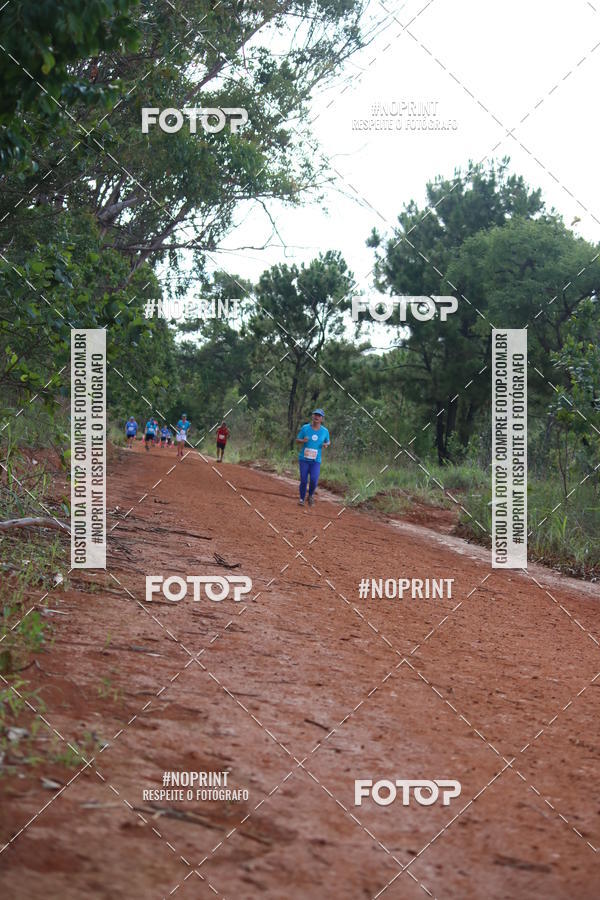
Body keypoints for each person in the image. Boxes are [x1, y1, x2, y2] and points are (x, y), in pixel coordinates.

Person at [296, 408, 330, 506]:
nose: (316, 417)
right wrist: (303, 441)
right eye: (315, 415)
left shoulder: (325, 431)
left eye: (319, 416)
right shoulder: (305, 428)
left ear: (322, 419)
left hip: (316, 460)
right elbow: (297, 439)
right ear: (312, 416)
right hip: (304, 459)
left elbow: (328, 441)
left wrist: (326, 444)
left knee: (314, 479)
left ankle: (310, 496)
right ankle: (301, 499)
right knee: (303, 480)